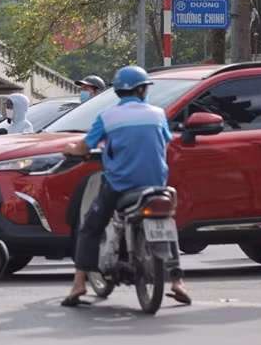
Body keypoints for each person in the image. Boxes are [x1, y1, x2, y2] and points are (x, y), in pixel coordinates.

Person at [60, 65, 191, 307]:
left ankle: (78, 284)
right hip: (156, 185)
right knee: (167, 223)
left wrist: (69, 149)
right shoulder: (158, 114)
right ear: (142, 90)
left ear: (119, 92)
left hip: (120, 185)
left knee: (89, 227)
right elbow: (163, 142)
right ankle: (177, 282)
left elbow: (84, 147)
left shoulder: (107, 117)